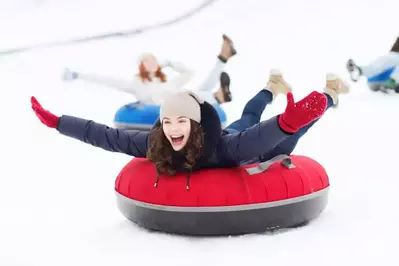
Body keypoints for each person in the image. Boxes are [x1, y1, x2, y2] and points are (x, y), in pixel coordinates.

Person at [30, 70, 349, 190]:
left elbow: (257, 139)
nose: (172, 128)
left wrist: (285, 123)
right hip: (234, 136)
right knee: (249, 116)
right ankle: (271, 84)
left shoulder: (224, 149)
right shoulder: (157, 144)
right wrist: (59, 122)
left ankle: (330, 94)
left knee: (283, 127)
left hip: (252, 147)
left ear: (194, 124)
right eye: (167, 122)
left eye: (181, 121)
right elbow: (108, 136)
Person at [62, 34, 236, 105]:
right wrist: (79, 75)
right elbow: (108, 80)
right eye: (147, 60)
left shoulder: (166, 80)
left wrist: (169, 63)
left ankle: (223, 56)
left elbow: (190, 73)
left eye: (153, 59)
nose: (151, 61)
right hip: (167, 106)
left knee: (201, 88)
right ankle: (218, 96)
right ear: (141, 66)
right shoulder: (136, 84)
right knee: (197, 94)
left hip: (180, 98)